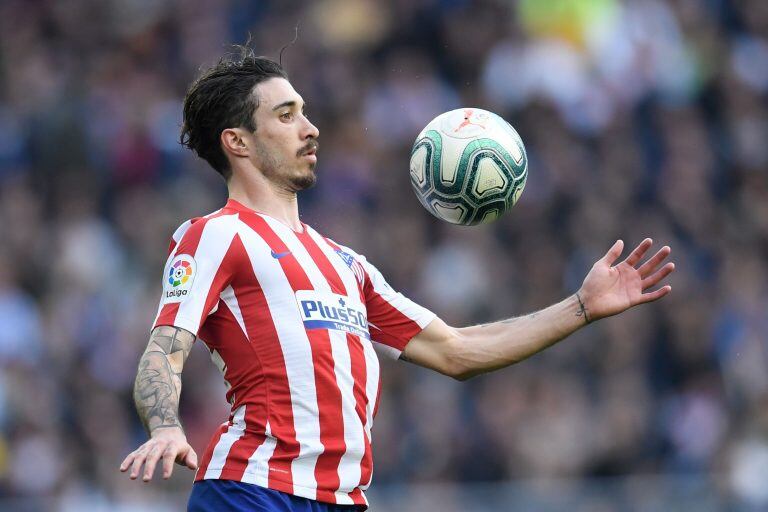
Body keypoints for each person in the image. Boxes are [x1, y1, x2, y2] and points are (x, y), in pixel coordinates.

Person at [119, 48, 675, 512]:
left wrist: (580, 306)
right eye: (286, 116)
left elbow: (457, 351)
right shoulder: (215, 235)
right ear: (237, 141)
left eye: (305, 112)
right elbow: (166, 347)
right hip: (254, 490)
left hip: (344, 498)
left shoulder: (347, 264)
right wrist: (165, 425)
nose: (311, 129)